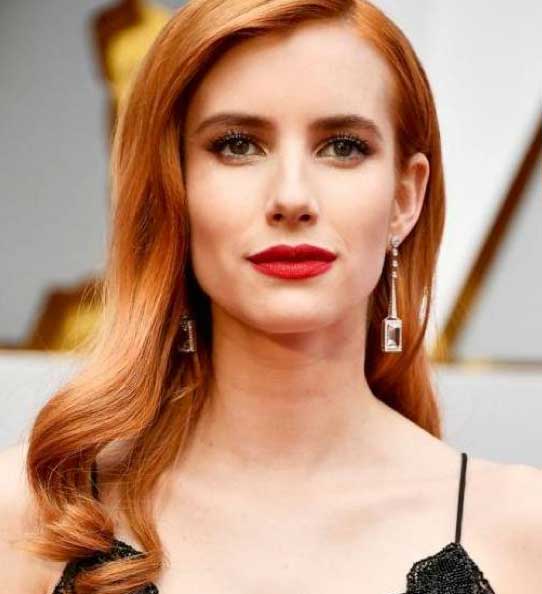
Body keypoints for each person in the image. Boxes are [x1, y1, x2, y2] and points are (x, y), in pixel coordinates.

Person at [1, 1, 541, 593]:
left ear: (405, 198)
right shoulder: (35, 517)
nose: (291, 198)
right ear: (173, 186)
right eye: (237, 144)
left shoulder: (520, 529)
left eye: (342, 146)